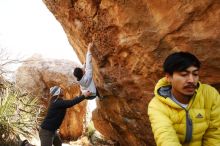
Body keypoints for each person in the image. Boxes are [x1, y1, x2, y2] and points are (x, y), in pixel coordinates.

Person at [148, 52, 220, 146]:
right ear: (168, 77)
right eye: (184, 74)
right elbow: (166, 138)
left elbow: (215, 135)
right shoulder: (157, 106)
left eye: (195, 74)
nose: (191, 80)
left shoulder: (209, 95)